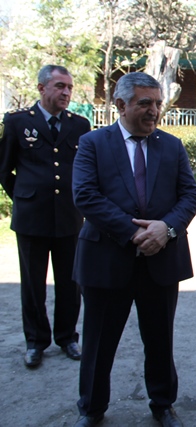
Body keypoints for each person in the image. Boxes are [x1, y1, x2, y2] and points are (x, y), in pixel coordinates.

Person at [71, 72, 196, 427]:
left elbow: (189, 195)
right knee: (98, 342)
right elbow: (85, 196)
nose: (154, 111)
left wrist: (166, 229)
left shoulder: (171, 146)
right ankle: (92, 408)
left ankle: (163, 404)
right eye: (145, 103)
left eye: (157, 103)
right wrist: (134, 233)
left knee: (160, 340)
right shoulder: (92, 143)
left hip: (161, 261)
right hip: (106, 260)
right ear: (120, 105)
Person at [0, 65, 91, 368]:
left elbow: (84, 170)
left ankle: (67, 337)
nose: (66, 92)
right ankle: (35, 342)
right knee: (32, 284)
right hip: (31, 219)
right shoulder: (17, 122)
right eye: (60, 86)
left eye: (70, 87)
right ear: (42, 88)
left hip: (68, 216)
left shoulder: (80, 125)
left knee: (70, 282)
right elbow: (4, 170)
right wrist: (25, 196)